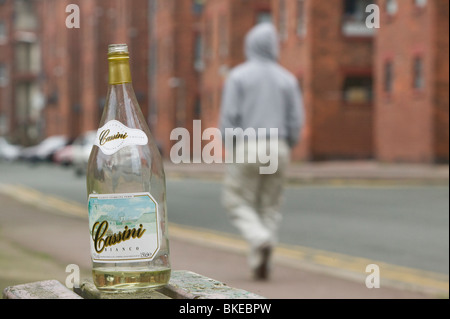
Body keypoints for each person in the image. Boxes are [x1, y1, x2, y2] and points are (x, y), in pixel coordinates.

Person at [219, 23, 304, 280]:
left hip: (248, 144)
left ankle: (259, 239)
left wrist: (232, 148)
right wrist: (287, 144)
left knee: (236, 200)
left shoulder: (238, 76)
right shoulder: (287, 78)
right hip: (278, 146)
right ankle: (261, 259)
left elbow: (228, 119)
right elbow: (296, 120)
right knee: (269, 206)